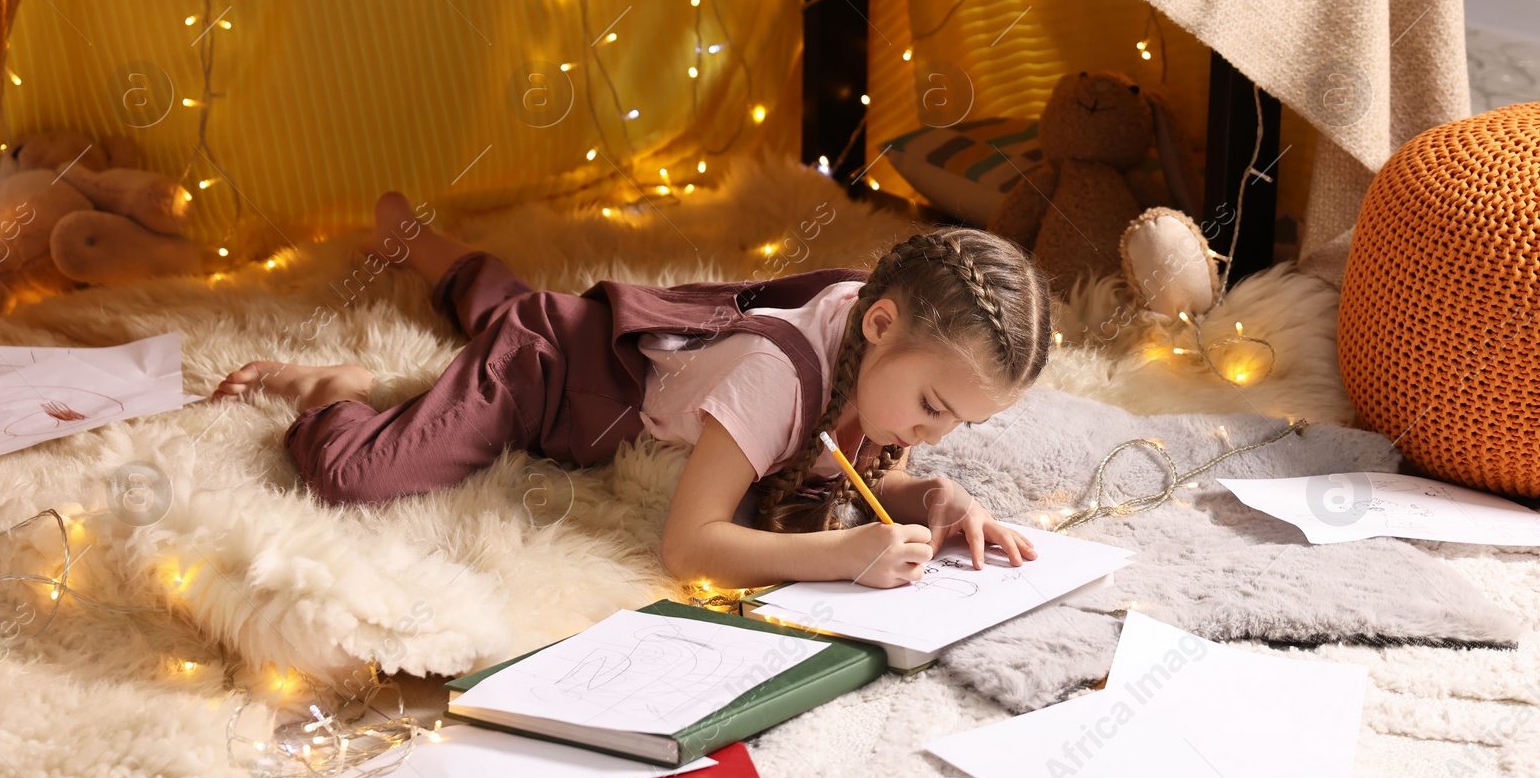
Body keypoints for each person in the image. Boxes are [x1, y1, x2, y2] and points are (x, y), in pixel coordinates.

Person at [213, 191, 1052, 589]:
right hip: (550, 373)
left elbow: (849, 467)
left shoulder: (883, 344)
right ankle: (334, 386)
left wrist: (928, 494)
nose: (931, 433)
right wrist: (838, 556)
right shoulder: (777, 378)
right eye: (935, 409)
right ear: (877, 325)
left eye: (958, 426)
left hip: (620, 349)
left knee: (529, 308)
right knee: (363, 475)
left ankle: (423, 246)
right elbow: (691, 545)